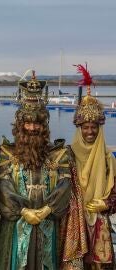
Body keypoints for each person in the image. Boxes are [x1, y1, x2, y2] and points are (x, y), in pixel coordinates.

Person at [0, 71, 73, 270]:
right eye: (27, 123)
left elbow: (64, 186)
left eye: (37, 123)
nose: (32, 128)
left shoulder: (59, 155)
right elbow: (3, 188)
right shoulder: (6, 154)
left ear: (44, 126)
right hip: (16, 226)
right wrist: (23, 211)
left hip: (47, 224)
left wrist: (47, 209)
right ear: (20, 125)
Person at [64, 64, 116, 269]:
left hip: (99, 223)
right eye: (85, 127)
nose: (90, 132)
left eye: (94, 127)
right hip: (72, 223)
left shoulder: (108, 159)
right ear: (79, 129)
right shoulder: (67, 155)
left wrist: (107, 204)